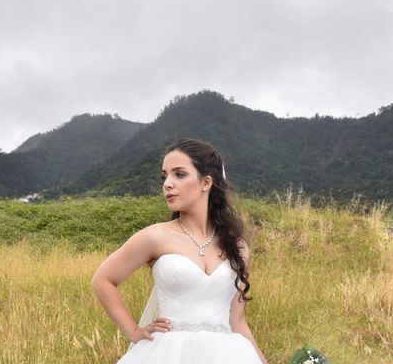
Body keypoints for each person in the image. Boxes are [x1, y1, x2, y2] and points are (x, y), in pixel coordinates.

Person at [91, 138, 268, 363]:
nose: (167, 184)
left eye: (179, 174)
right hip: (167, 352)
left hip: (228, 354)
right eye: (165, 176)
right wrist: (133, 332)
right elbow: (103, 279)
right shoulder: (156, 236)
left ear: (206, 182)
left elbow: (237, 321)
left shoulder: (237, 246)